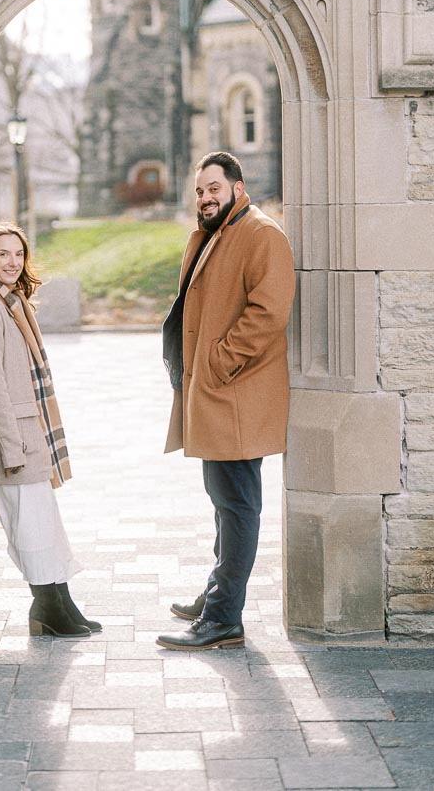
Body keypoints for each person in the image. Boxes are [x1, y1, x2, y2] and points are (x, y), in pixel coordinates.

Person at [156, 152, 295, 651]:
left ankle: (223, 618)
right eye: (199, 191)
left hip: (233, 390)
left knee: (236, 505)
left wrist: (220, 362)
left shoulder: (261, 233)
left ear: (238, 187)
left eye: (213, 187)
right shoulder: (220, 233)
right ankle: (218, 594)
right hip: (215, 392)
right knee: (223, 503)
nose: (205, 197)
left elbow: (269, 310)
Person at [0, 221, 99, 639]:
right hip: (12, 439)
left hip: (27, 432)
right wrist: (10, 447)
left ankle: (59, 605)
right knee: (29, 524)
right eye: (2, 254)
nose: (12, 262)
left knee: (43, 521)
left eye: (18, 254)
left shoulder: (10, 302)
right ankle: (47, 608)